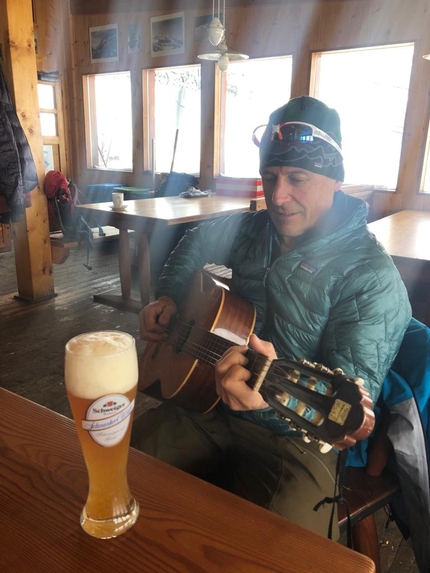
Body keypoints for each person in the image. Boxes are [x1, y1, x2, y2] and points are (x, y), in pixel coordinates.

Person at [132, 96, 411, 538]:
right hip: (208, 402)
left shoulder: (372, 278)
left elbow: (342, 417)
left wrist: (270, 403)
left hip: (299, 440)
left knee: (280, 550)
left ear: (336, 178)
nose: (278, 196)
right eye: (270, 176)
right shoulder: (251, 228)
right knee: (120, 471)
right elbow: (194, 244)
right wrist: (167, 296)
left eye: (297, 178)